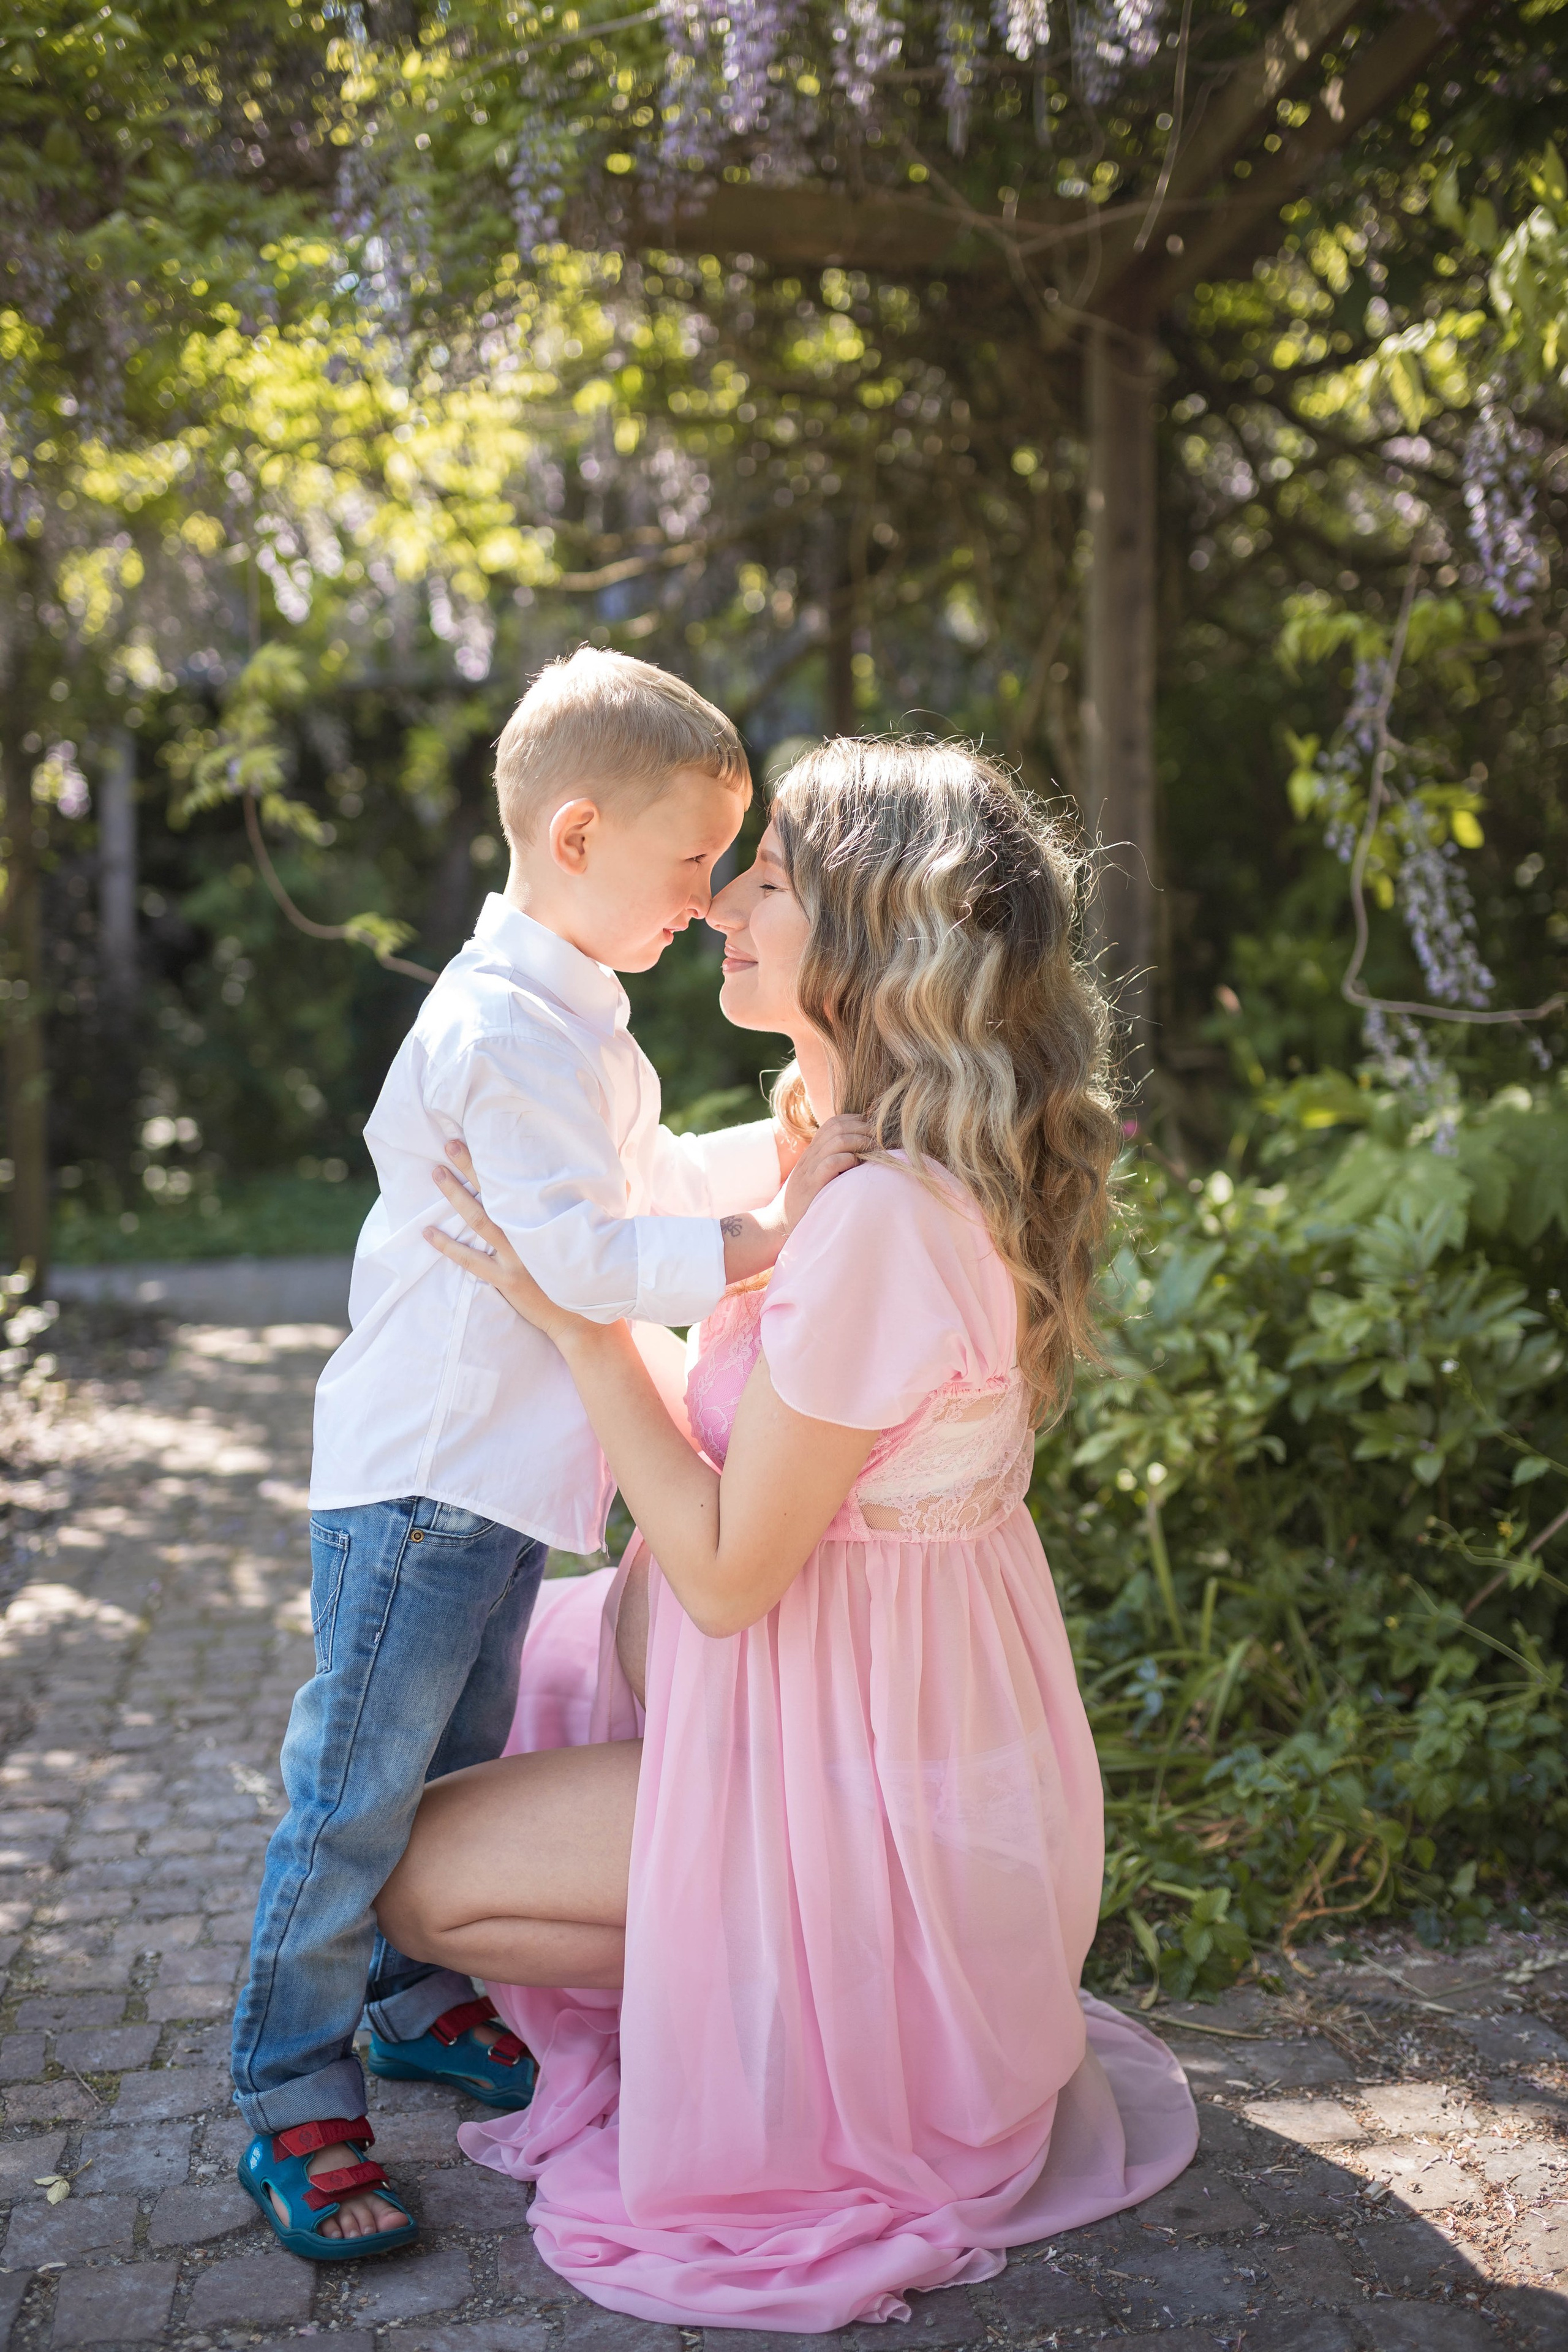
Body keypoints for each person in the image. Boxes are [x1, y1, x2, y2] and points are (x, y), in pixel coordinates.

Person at [377, 739, 1199, 2332]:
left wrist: (583, 1327)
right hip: (829, 1712)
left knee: (412, 1878)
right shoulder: (843, 1152)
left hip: (853, 1788)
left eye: (764, 881)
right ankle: (734, 1969)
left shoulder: (887, 1219)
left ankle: (801, 1999)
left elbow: (728, 1573)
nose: (718, 906)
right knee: (473, 1711)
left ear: (873, 935)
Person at [231, 650, 864, 2260]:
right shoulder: (501, 1029)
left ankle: (409, 1998)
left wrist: (770, 1156)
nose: (709, 901)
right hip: (420, 1486)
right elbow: (583, 1261)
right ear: (577, 835)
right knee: (354, 1795)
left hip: (497, 1491)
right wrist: (773, 1232)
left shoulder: (577, 1017)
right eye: (691, 862)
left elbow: (640, 1187)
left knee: (458, 1765)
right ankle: (290, 2090)